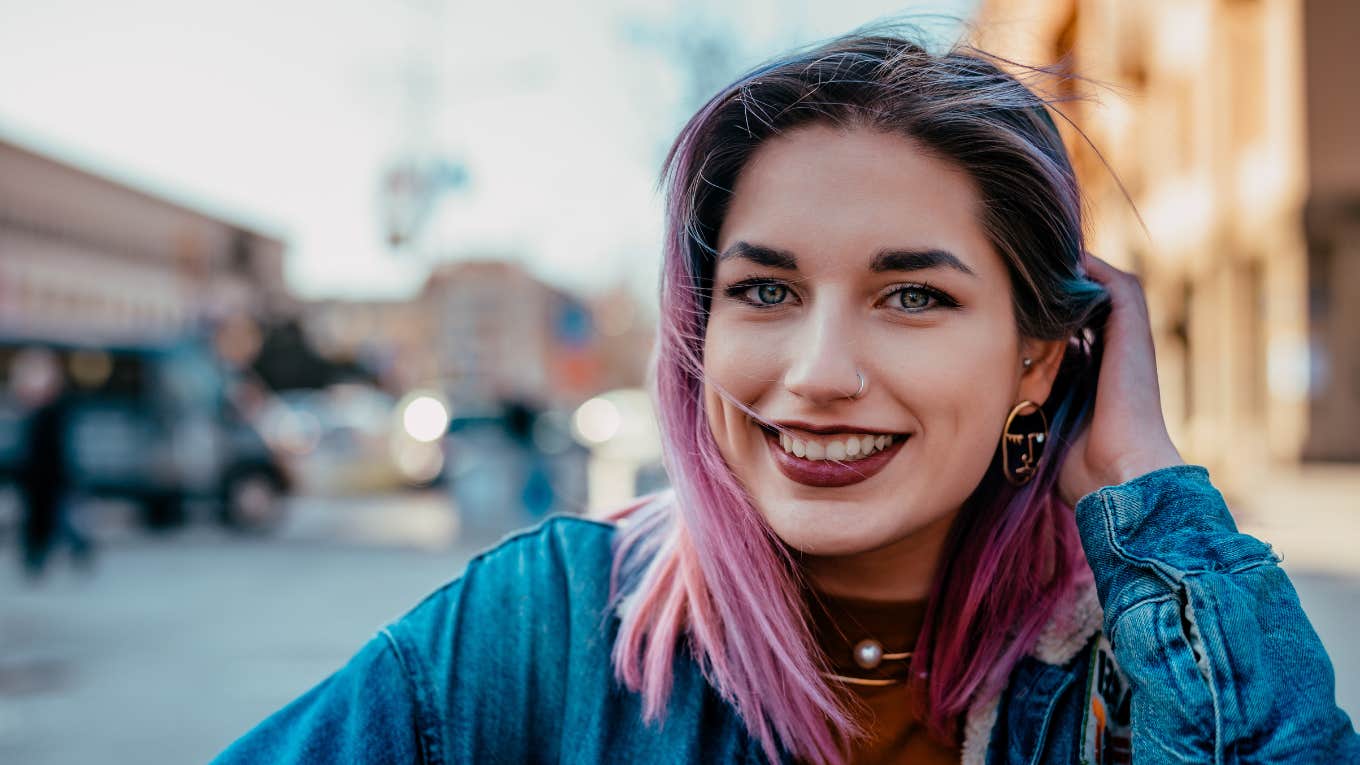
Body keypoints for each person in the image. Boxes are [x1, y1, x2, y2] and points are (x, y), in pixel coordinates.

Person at [212, 32, 1358, 764]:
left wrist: (1147, 497)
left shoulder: (1134, 664)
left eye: (912, 297)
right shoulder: (538, 633)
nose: (814, 373)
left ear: (1042, 357)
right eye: (764, 288)